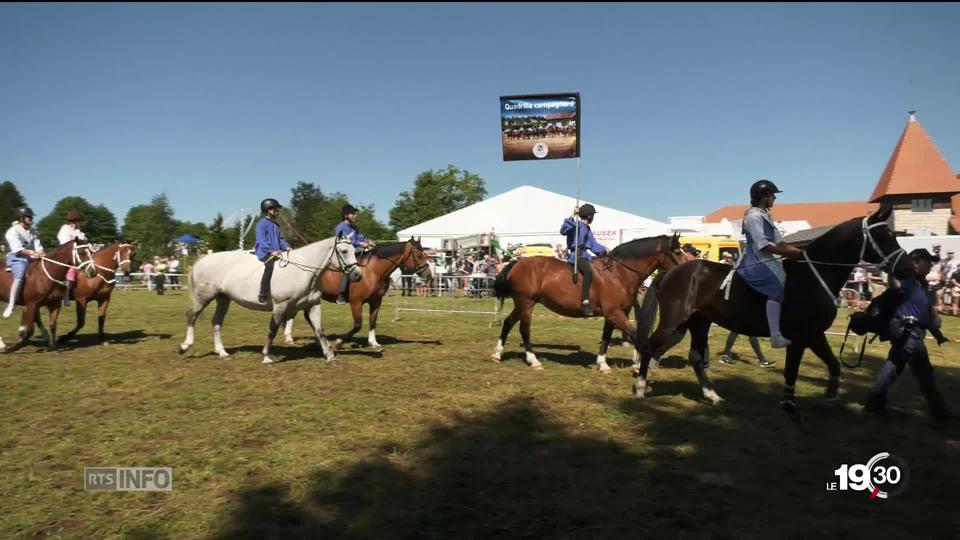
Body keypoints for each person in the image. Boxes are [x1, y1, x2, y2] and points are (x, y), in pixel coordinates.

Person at [863, 248, 950, 423]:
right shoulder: (907, 279)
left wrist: (937, 333)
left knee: (892, 367)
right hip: (908, 334)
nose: (930, 265)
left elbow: (925, 311)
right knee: (924, 373)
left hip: (911, 333)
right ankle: (939, 413)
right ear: (916, 261)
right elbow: (894, 286)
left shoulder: (921, 283)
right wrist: (891, 270)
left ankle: (873, 404)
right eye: (928, 261)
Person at [736, 179, 803, 348]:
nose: (774, 198)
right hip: (755, 259)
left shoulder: (766, 215)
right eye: (772, 195)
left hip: (768, 258)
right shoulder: (753, 217)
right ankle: (775, 336)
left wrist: (800, 252)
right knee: (778, 288)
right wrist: (789, 252)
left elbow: (780, 243)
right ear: (763, 197)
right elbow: (763, 246)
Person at [717, 250, 774, 368]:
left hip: (744, 305)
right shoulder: (745, 272)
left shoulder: (746, 270)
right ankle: (762, 360)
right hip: (744, 306)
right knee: (748, 332)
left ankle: (727, 355)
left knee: (738, 330)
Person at [560, 203, 608, 316]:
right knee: (588, 271)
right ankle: (585, 302)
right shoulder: (574, 225)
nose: (593, 218)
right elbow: (563, 230)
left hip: (585, 256)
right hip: (576, 256)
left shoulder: (587, 229)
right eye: (593, 215)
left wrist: (605, 250)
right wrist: (572, 215)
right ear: (589, 216)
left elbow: (594, 245)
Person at [4, 207, 44, 318]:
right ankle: (11, 304)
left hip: (31, 257)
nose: (31, 219)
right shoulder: (12, 231)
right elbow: (18, 249)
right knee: (20, 275)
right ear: (21, 218)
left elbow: (38, 246)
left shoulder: (32, 232)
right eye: (28, 216)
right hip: (18, 258)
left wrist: (41, 253)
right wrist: (32, 252)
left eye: (31, 216)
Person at [333, 204, 375, 304]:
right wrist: (361, 244)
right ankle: (342, 294)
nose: (355, 216)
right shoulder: (340, 227)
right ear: (346, 215)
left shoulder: (354, 227)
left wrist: (368, 241)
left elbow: (361, 238)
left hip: (356, 251)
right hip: (345, 254)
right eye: (353, 214)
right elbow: (345, 242)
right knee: (349, 267)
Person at [254, 198, 291, 304]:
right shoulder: (262, 224)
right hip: (264, 252)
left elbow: (280, 240)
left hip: (277, 252)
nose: (277, 211)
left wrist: (287, 247)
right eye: (276, 209)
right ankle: (263, 294)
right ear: (268, 209)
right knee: (270, 266)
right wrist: (270, 251)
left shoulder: (276, 225)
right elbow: (261, 240)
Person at [57, 209, 87, 306]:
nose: (79, 223)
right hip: (66, 255)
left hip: (77, 254)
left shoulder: (78, 232)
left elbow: (83, 243)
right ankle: (65, 295)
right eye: (78, 221)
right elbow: (65, 243)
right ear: (74, 221)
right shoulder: (64, 229)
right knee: (71, 270)